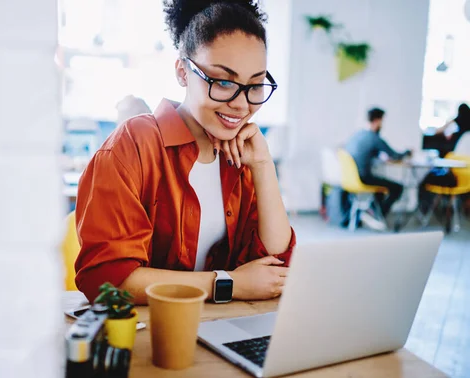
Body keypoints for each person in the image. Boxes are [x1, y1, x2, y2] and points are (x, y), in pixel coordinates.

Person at [74, 0, 295, 304]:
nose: (242, 105)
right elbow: (107, 280)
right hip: (150, 333)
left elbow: (275, 269)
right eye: (222, 82)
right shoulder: (133, 144)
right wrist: (229, 284)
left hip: (221, 327)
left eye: (255, 86)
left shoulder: (242, 156)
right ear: (182, 72)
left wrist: (263, 165)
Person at [344, 107, 411, 230]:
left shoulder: (358, 134)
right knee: (397, 187)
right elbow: (395, 155)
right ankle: (377, 215)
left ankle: (372, 211)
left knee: (381, 187)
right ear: (377, 120)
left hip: (350, 179)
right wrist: (408, 152)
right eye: (382, 121)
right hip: (364, 178)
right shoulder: (374, 138)